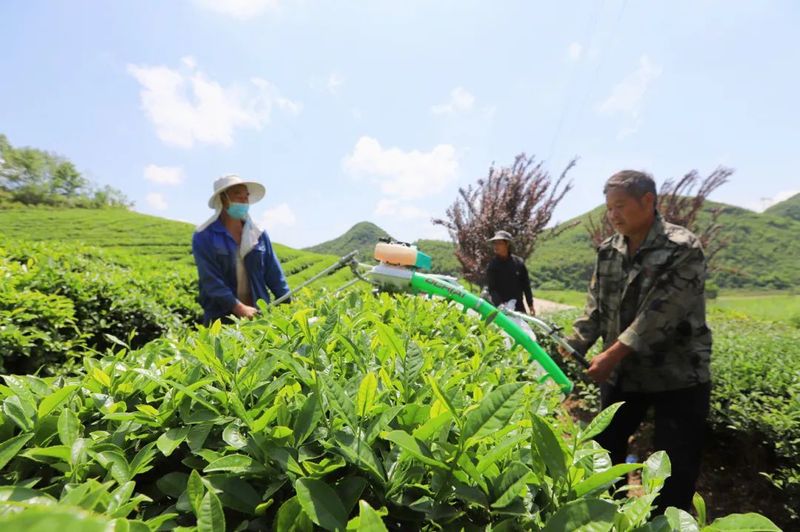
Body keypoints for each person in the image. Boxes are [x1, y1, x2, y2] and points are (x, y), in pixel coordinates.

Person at [561, 170, 712, 513]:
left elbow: (661, 313)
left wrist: (611, 355)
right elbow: (595, 308)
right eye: (608, 208)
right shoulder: (608, 251)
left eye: (620, 206)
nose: (613, 215)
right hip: (624, 375)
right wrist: (573, 344)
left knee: (674, 469)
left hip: (678, 376)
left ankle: (666, 522)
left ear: (647, 201)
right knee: (604, 455)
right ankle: (608, 516)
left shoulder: (682, 247)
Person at [192, 174, 291, 325]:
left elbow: (274, 272)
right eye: (237, 194)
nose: (244, 200)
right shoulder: (204, 235)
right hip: (221, 317)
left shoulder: (258, 233)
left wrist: (287, 302)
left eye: (246, 196)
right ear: (223, 198)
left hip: (258, 314)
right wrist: (237, 307)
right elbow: (210, 279)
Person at [485, 230, 535, 315]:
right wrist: (500, 304)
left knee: (523, 324)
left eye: (499, 243)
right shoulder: (492, 265)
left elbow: (526, 285)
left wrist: (530, 304)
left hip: (518, 306)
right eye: (495, 243)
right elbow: (492, 289)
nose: (496, 246)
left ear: (507, 244)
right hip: (501, 308)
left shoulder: (518, 263)